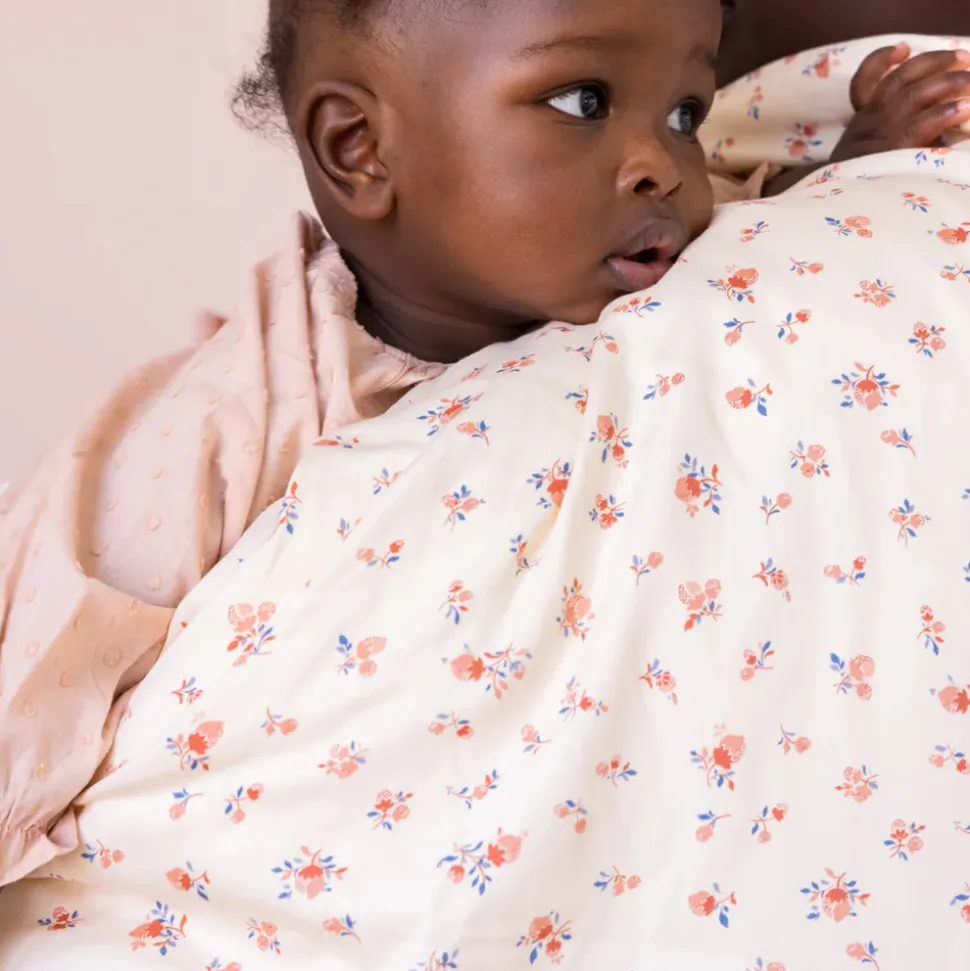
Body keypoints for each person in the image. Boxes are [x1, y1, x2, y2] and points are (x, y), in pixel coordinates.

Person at [0, 0, 721, 885]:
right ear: (360, 149)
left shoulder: (676, 301)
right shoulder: (229, 419)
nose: (663, 168)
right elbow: (38, 655)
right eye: (584, 102)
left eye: (686, 113)